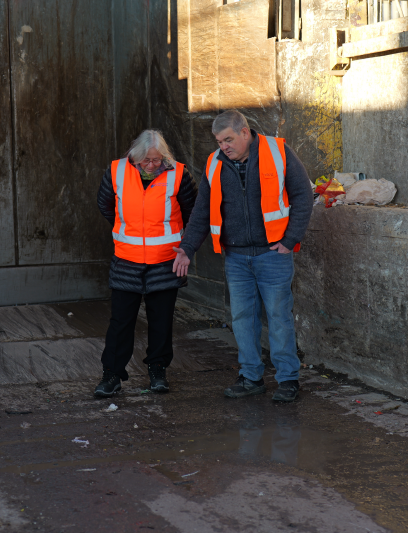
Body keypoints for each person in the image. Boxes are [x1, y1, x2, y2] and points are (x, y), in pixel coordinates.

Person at [173, 110, 313, 402]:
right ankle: (251, 377)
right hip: (236, 258)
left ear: (245, 133)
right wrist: (186, 249)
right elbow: (201, 212)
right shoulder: (214, 164)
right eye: (219, 141)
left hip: (272, 254)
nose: (223, 146)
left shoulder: (277, 151)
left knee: (278, 317)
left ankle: (288, 380)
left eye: (228, 139)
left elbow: (302, 194)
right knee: (242, 319)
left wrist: (290, 239)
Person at [95, 130, 197, 397]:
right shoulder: (117, 171)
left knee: (161, 320)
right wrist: (127, 231)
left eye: (156, 160)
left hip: (165, 261)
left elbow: (193, 211)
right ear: (134, 158)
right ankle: (112, 375)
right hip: (126, 260)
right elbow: (105, 205)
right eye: (146, 161)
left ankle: (158, 371)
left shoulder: (178, 174)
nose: (151, 165)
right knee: (120, 321)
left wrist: (183, 246)